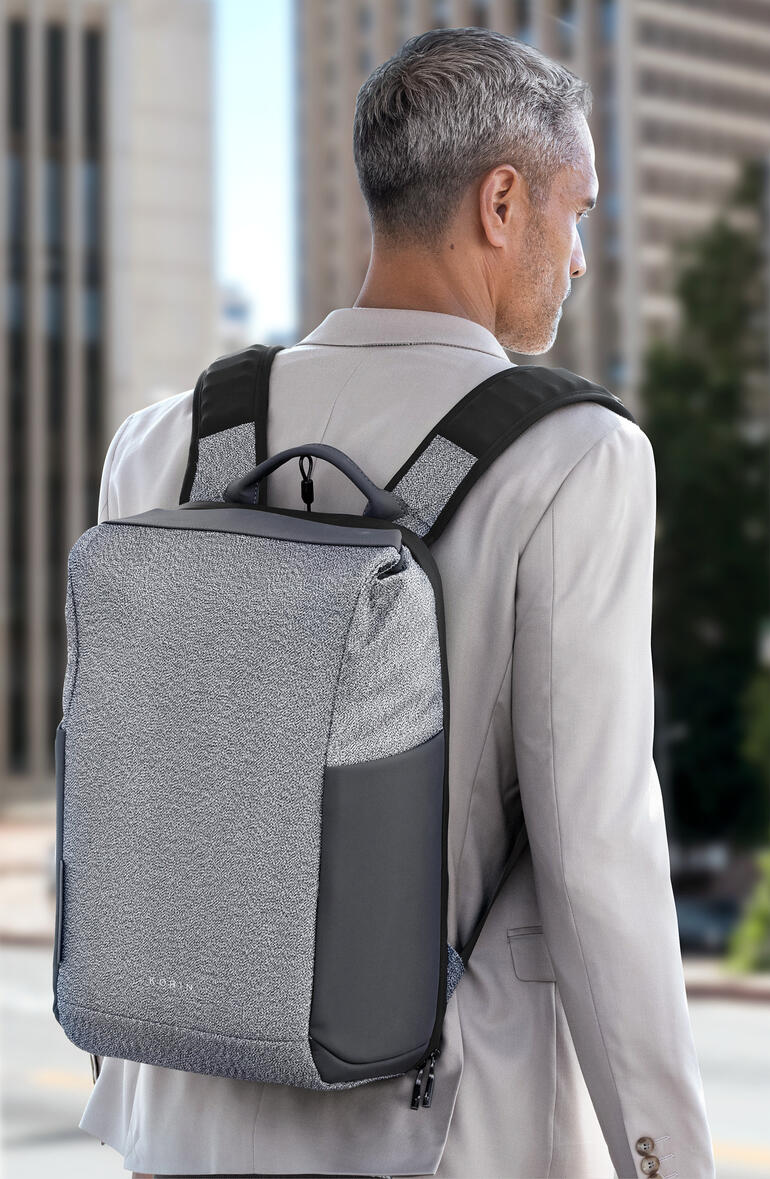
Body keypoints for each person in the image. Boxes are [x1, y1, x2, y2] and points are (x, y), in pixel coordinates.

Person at [78, 26, 716, 1179]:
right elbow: (598, 852)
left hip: (177, 1119)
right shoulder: (572, 453)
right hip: (439, 1132)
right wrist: (663, 1158)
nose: (578, 258)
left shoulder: (167, 440)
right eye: (576, 211)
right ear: (502, 203)